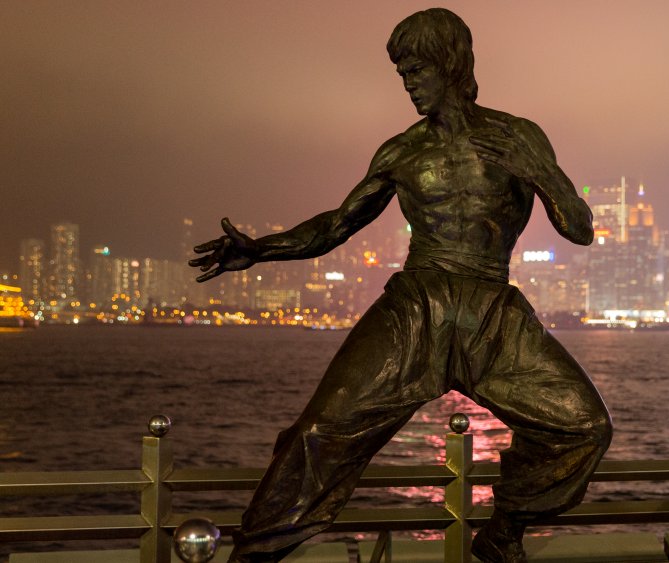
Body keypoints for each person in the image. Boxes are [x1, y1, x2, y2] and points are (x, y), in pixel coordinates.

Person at [189, 8, 612, 563]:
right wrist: (260, 248)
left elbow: (579, 230)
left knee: (584, 426)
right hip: (415, 308)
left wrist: (539, 170)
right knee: (318, 431)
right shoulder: (401, 152)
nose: (408, 83)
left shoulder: (520, 137)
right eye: (402, 72)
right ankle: (254, 555)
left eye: (417, 69)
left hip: (491, 311)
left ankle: (505, 528)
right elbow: (337, 225)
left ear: (450, 64)